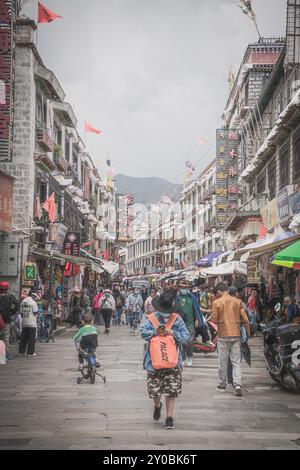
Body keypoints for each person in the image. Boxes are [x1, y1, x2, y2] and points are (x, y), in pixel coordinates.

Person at [140, 290, 190, 430]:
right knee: (154, 391)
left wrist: (172, 333)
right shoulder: (151, 318)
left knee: (171, 390)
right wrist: (154, 332)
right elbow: (142, 332)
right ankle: (157, 405)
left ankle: (169, 417)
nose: (165, 314)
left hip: (173, 361)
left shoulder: (177, 319)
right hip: (154, 362)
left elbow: (186, 336)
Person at [211, 283, 250, 396]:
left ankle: (222, 384)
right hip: (236, 334)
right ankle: (237, 384)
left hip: (223, 334)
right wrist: (248, 333)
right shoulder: (237, 302)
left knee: (222, 360)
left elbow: (214, 319)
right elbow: (245, 319)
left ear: (219, 291)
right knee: (236, 361)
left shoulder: (216, 303)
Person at [176, 281, 209, 367]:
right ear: (179, 288)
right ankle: (182, 358)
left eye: (185, 287)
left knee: (190, 341)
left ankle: (189, 356)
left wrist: (197, 319)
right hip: (180, 323)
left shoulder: (193, 298)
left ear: (188, 288)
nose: (183, 289)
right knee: (182, 341)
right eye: (182, 287)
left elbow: (197, 309)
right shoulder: (176, 298)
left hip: (190, 322)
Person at [0, 282, 19, 360]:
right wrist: (12, 312)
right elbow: (17, 304)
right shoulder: (11, 297)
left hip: (1, 318)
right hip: (6, 319)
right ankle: (6, 355)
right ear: (7, 289)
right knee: (6, 337)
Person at [19, 292, 39, 356]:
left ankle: (21, 352)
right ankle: (30, 352)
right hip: (32, 323)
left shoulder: (23, 301)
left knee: (23, 338)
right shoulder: (33, 302)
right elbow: (35, 312)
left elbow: (21, 313)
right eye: (35, 296)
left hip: (24, 322)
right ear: (33, 296)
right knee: (31, 338)